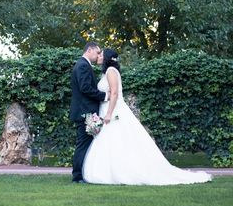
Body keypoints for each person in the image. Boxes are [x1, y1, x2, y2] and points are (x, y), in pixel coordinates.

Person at [83, 48, 212, 185]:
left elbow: (114, 94)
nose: (99, 56)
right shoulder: (108, 72)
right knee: (111, 141)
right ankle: (109, 171)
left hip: (113, 111)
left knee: (117, 140)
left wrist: (109, 114)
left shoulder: (110, 72)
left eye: (101, 55)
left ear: (107, 58)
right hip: (106, 109)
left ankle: (121, 172)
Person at [69, 42, 107, 183]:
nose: (98, 56)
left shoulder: (83, 65)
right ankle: (77, 177)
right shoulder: (83, 65)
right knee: (83, 144)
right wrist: (104, 96)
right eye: (97, 52)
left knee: (86, 144)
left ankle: (82, 174)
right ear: (89, 50)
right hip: (84, 112)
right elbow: (85, 88)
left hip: (85, 111)